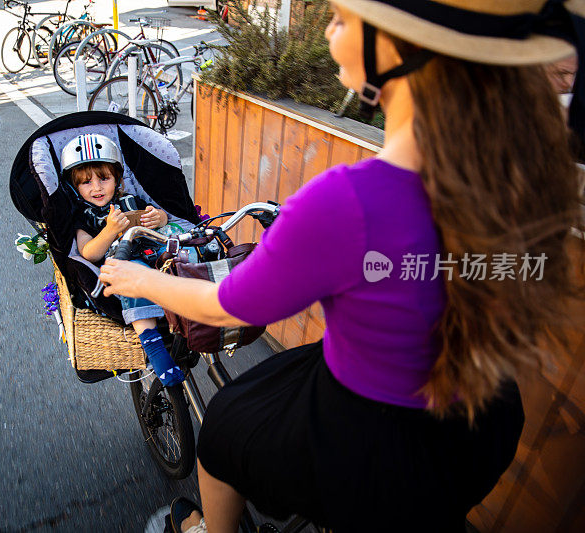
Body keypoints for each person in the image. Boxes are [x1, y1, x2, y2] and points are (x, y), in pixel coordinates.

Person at [99, 1, 585, 532]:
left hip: (370, 439)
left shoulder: (346, 202)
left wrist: (140, 278)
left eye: (343, 16)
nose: (329, 28)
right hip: (481, 426)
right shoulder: (524, 178)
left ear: (399, 47)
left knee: (221, 433)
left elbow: (226, 304)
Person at [62, 133, 185, 387]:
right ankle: (153, 346)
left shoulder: (131, 201)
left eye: (104, 179)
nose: (96, 188)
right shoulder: (83, 218)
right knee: (132, 276)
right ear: (75, 188)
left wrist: (159, 218)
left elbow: (160, 216)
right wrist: (108, 231)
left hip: (156, 254)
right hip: (124, 266)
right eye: (86, 183)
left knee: (185, 253)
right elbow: (88, 252)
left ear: (117, 179)